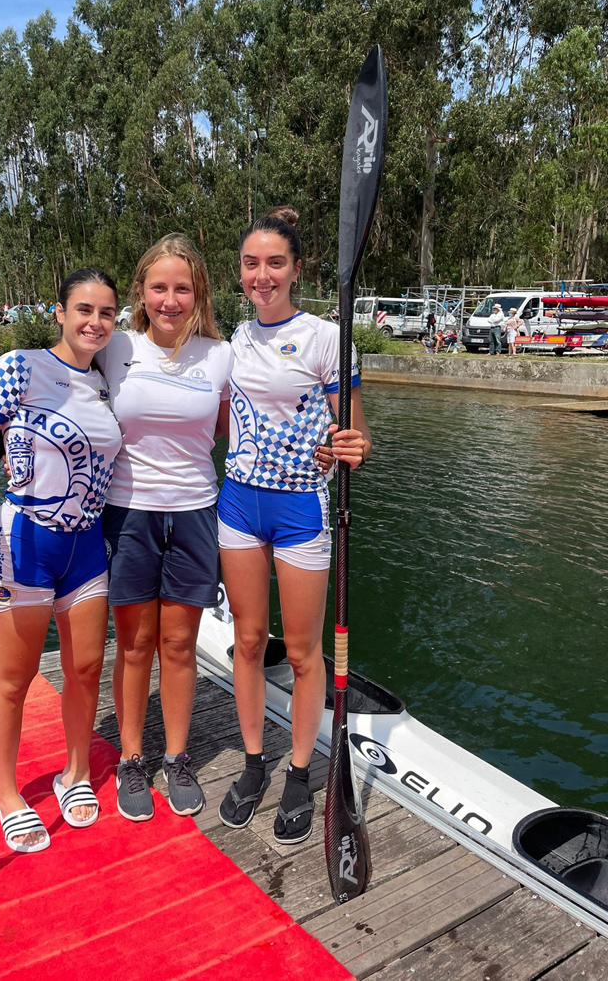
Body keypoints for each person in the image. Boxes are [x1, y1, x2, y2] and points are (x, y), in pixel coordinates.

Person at [0, 268, 123, 854]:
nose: (95, 322)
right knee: (15, 677)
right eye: (84, 310)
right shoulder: (22, 366)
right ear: (60, 312)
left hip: (87, 544)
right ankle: (6, 793)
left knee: (86, 668)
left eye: (105, 313)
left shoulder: (104, 381)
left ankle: (73, 773)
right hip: (24, 542)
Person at [217, 206, 372, 845]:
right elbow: (225, 422)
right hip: (238, 506)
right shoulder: (235, 338)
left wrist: (351, 449)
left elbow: (357, 434)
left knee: (305, 654)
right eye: (252, 264)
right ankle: (255, 764)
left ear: (297, 270)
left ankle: (301, 772)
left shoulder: (328, 339)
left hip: (301, 508)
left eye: (274, 263)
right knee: (249, 642)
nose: (262, 275)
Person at [96, 235, 233, 822]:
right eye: (160, 287)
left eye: (183, 288)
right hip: (128, 514)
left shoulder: (219, 355)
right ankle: (132, 759)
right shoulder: (115, 346)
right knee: (134, 645)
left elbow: (241, 429)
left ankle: (176, 757)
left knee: (178, 646)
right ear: (141, 293)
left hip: (197, 512)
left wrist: (332, 448)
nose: (171, 300)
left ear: (198, 293)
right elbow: (53, 387)